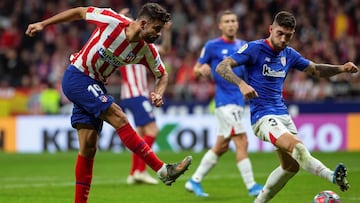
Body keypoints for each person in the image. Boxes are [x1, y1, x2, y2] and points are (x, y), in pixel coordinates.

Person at [25, 3, 192, 203]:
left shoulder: (146, 51)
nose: (158, 34)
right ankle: (163, 170)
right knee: (119, 117)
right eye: (156, 29)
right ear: (143, 23)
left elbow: (162, 75)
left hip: (96, 85)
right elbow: (79, 12)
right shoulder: (111, 20)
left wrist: (158, 92)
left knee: (88, 148)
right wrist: (43, 24)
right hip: (77, 76)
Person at [215, 11, 357, 203]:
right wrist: (242, 84)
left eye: (288, 36)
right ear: (271, 29)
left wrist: (341, 68)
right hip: (263, 117)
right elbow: (222, 66)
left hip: (283, 115)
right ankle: (332, 176)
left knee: (290, 167)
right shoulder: (254, 49)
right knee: (297, 148)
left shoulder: (289, 54)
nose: (283, 39)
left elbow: (315, 69)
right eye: (279, 33)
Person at [184, 10, 263, 197]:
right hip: (225, 102)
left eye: (233, 20)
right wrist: (200, 70)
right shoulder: (212, 46)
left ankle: (194, 181)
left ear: (237, 24)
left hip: (237, 102)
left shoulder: (244, 46)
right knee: (241, 141)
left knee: (221, 146)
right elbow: (195, 70)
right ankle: (252, 186)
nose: (230, 24)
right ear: (220, 25)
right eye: (226, 21)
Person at [116, 8, 173, 185]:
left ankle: (134, 173)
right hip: (136, 95)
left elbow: (165, 49)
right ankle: (141, 170)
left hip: (132, 95)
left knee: (140, 134)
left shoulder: (145, 46)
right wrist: (121, 15)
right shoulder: (127, 43)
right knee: (153, 131)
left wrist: (168, 32)